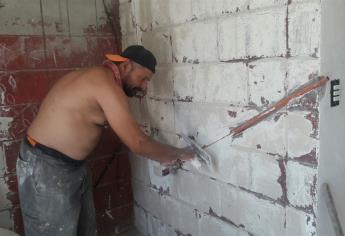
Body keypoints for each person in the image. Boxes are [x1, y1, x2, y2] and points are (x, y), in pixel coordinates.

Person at [16, 45, 195, 236]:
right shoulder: (104, 84)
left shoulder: (100, 78)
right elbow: (138, 143)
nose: (144, 86)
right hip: (46, 167)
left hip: (70, 166)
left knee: (82, 230)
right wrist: (180, 154)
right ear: (126, 66)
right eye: (142, 78)